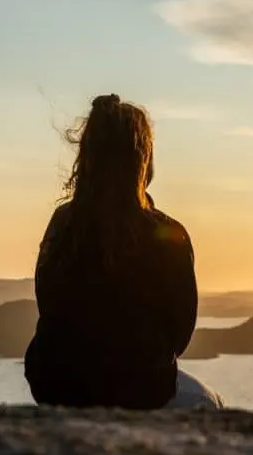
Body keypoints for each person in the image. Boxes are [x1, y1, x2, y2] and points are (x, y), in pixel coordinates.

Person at [24, 93, 225, 410]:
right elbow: (180, 337)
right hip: (138, 389)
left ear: (87, 156)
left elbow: (47, 303)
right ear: (143, 159)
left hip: (55, 384)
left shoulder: (62, 224)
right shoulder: (168, 233)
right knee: (209, 404)